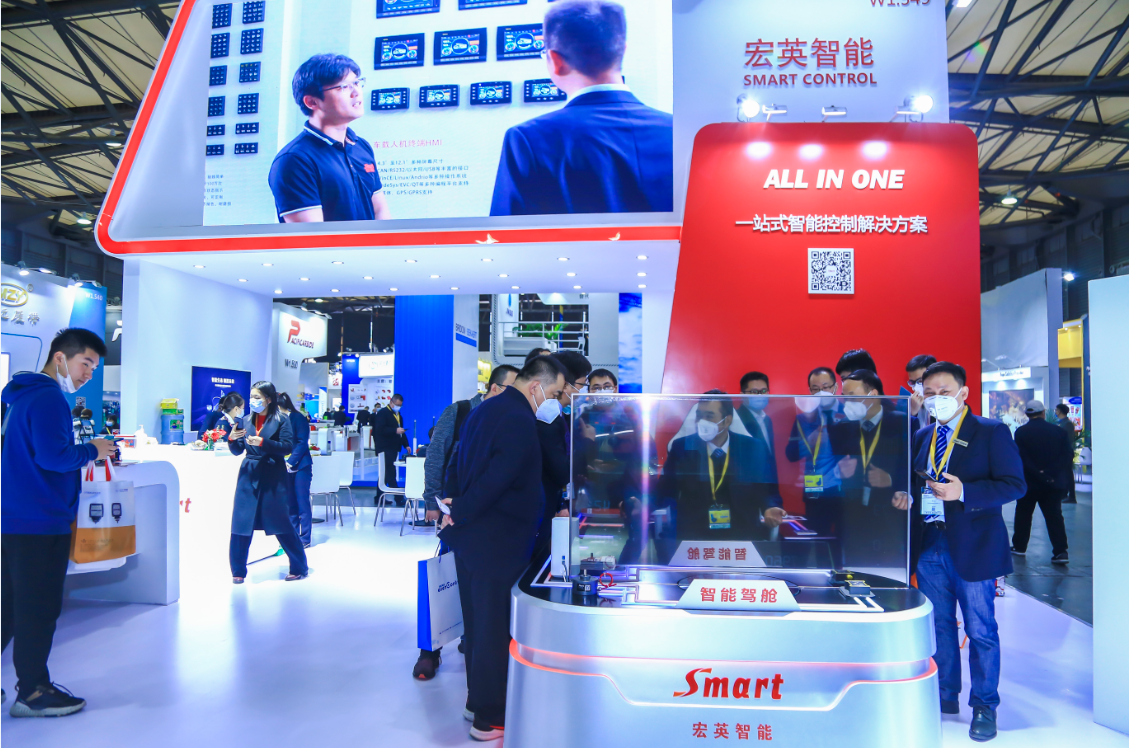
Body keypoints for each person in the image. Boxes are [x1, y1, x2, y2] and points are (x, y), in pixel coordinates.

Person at [893, 361, 1025, 742]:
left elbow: (1014, 485)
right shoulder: (923, 436)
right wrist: (906, 496)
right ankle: (944, 694)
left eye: (944, 392)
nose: (937, 399)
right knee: (939, 625)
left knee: (980, 630)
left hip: (975, 545)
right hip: (930, 544)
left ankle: (984, 705)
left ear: (963, 393)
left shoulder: (991, 431)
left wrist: (963, 491)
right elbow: (918, 483)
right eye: (930, 393)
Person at [438, 355, 567, 741]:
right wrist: (461, 508)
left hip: (472, 540)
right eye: (555, 393)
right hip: (499, 539)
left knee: (479, 627)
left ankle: (476, 702)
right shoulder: (519, 419)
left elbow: (457, 464)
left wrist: (454, 509)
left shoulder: (485, 408)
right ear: (536, 387)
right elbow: (498, 479)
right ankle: (490, 718)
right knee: (495, 630)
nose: (555, 401)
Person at [2, 328, 117, 716]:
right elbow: (53, 457)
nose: (88, 374)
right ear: (60, 358)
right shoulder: (49, 398)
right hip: (39, 517)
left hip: (13, 515)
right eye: (85, 363)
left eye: (94, 367)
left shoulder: (18, 396)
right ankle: (33, 692)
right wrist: (92, 450)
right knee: (37, 607)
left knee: (8, 605)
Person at [489, 0, 673, 216]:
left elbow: (506, 233)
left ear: (556, 60)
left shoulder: (526, 139)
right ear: (622, 51)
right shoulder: (678, 131)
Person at [413, 364, 519, 681]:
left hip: (486, 514)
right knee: (443, 576)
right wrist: (431, 501)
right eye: (513, 389)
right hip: (452, 512)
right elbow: (436, 456)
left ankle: (468, 636)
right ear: (496, 388)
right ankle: (429, 651)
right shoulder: (460, 412)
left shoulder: (507, 419)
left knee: (475, 582)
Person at [656, 393, 784, 559]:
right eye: (699, 415)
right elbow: (665, 490)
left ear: (727, 421)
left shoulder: (752, 448)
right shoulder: (683, 447)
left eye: (709, 416)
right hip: (695, 535)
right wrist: (643, 504)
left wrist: (770, 507)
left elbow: (767, 490)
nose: (701, 422)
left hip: (742, 534)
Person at [268, 53, 391, 223]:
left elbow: (380, 211)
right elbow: (312, 235)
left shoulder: (361, 146)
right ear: (312, 102)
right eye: (344, 86)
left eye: (357, 83)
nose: (356, 92)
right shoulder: (295, 160)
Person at [227, 381, 309, 584]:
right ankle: (238, 570)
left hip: (273, 475)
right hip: (249, 475)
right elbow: (237, 450)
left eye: (257, 397)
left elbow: (287, 446)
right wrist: (232, 439)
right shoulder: (244, 420)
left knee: (280, 522)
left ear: (268, 399)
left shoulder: (282, 419)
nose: (253, 401)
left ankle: (299, 567)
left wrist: (264, 442)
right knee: (241, 522)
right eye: (251, 397)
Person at [828, 370, 909, 568]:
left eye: (852, 396)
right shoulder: (842, 427)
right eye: (844, 397)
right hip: (853, 519)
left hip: (891, 518)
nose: (847, 403)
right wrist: (839, 473)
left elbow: (914, 468)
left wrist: (892, 480)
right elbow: (831, 467)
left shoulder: (902, 422)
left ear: (872, 394)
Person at [1011, 401, 1073, 564]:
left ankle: (1019, 547)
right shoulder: (1059, 432)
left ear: (1027, 414)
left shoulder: (1021, 432)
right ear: (1043, 413)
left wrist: (1038, 473)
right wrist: (1049, 473)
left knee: (1023, 515)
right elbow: (1067, 455)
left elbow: (1021, 458)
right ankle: (1061, 552)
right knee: (1054, 517)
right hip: (1053, 483)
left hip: (1029, 483)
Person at [785, 367, 844, 538]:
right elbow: (791, 455)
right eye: (815, 389)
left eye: (826, 387)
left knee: (844, 542)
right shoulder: (804, 418)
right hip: (814, 492)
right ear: (810, 391)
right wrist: (809, 441)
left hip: (843, 492)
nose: (821, 392)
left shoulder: (848, 413)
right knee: (818, 542)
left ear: (835, 387)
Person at [278, 392, 314, 548]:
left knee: (302, 502)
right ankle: (293, 537)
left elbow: (302, 442)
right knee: (290, 503)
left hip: (301, 467)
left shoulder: (298, 418)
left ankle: (305, 538)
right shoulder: (278, 420)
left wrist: (290, 462)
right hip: (284, 466)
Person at [373, 395, 408, 507]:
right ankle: (398, 498)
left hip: (393, 448)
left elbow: (401, 431)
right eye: (397, 405)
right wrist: (394, 431)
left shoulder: (398, 415)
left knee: (385, 473)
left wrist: (406, 445)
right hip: (384, 448)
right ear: (391, 402)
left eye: (400, 405)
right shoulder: (383, 413)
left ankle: (378, 497)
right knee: (390, 472)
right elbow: (380, 429)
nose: (398, 407)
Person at [736, 371, 776, 464]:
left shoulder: (767, 419)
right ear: (742, 395)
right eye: (754, 391)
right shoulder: (736, 419)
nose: (760, 395)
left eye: (763, 391)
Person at [898, 354, 936, 431]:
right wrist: (912, 414)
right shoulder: (908, 405)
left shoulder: (945, 404)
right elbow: (903, 435)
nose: (916, 387)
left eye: (920, 381)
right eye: (912, 382)